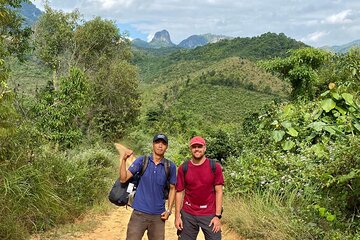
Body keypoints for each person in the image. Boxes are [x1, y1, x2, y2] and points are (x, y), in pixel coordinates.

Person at [119, 133, 177, 240]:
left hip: (158, 217)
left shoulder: (170, 166)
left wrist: (168, 210)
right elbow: (123, 179)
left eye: (163, 143)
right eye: (157, 142)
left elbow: (173, 188)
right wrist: (123, 160)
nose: (160, 145)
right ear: (153, 145)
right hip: (139, 214)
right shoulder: (142, 161)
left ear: (166, 147)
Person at [175, 136, 224, 240]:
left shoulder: (214, 167)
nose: (197, 149)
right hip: (188, 214)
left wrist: (217, 216)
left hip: (209, 214)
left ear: (204, 148)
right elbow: (179, 192)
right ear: (190, 149)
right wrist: (177, 216)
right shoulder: (183, 168)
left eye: (199, 146)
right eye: (194, 147)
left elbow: (219, 191)